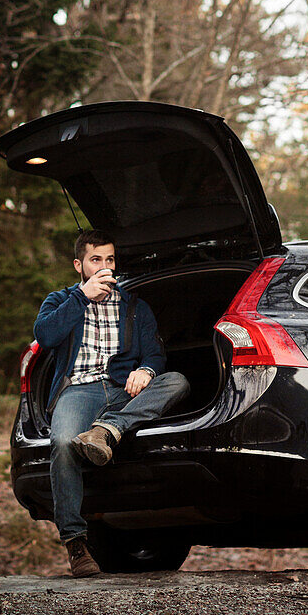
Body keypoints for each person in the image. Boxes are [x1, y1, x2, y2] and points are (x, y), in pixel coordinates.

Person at [33, 229, 190, 577]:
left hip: (122, 391)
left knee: (177, 382)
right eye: (95, 260)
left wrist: (147, 371)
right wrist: (82, 298)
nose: (105, 266)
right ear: (79, 265)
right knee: (61, 442)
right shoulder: (61, 300)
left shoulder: (135, 306)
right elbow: (45, 335)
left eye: (109, 259)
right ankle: (76, 543)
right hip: (80, 390)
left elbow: (155, 354)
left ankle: (107, 429)